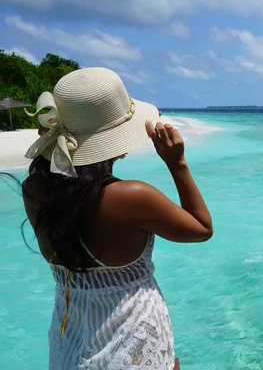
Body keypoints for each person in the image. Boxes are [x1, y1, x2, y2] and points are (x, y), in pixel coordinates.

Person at [21, 67, 213, 369]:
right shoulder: (132, 196)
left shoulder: (34, 189)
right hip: (133, 338)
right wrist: (178, 165)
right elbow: (201, 229)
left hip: (70, 338)